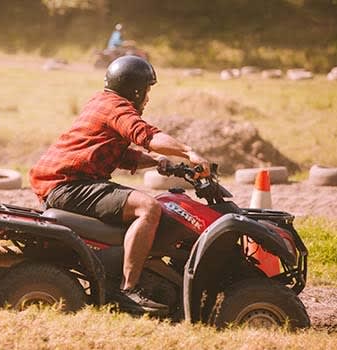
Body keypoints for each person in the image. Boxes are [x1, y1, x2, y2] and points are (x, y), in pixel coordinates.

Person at [29, 56, 209, 314]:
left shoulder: (101, 102)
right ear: (134, 90)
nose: (147, 98)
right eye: (147, 90)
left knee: (143, 205)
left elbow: (112, 152)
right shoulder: (117, 108)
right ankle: (129, 288)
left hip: (62, 182)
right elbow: (145, 134)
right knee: (148, 208)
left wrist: (158, 162)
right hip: (68, 185)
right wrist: (188, 152)